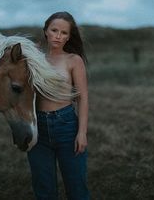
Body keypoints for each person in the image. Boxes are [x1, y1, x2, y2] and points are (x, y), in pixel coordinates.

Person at [27, 11, 90, 200]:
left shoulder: (73, 60)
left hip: (67, 126)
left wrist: (82, 133)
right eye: (54, 30)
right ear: (46, 31)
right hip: (38, 130)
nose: (58, 36)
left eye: (64, 33)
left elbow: (83, 98)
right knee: (44, 190)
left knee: (77, 188)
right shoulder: (33, 59)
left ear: (69, 37)